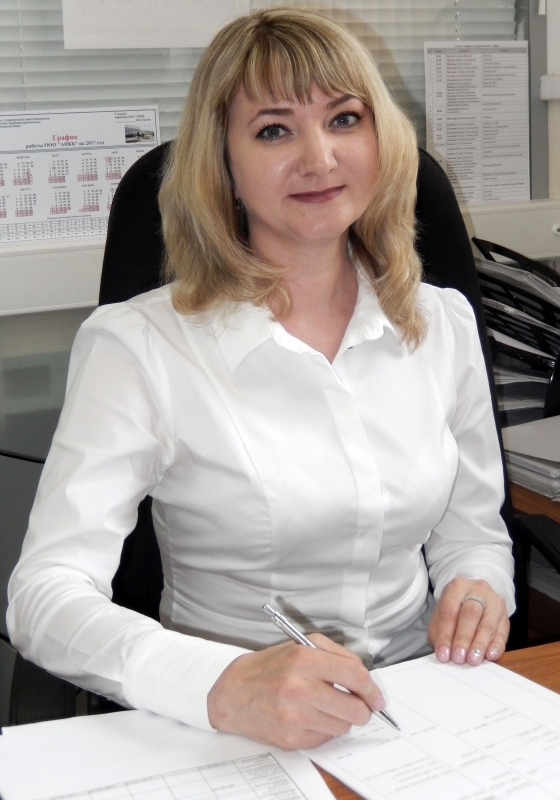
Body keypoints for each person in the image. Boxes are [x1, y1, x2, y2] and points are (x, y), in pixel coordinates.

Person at [7, 8, 514, 750]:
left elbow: (474, 533)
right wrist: (219, 683)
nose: (320, 157)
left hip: (416, 710)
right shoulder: (141, 346)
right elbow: (43, 596)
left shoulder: (441, 324)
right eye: (274, 130)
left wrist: (478, 589)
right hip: (231, 728)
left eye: (344, 119)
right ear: (224, 165)